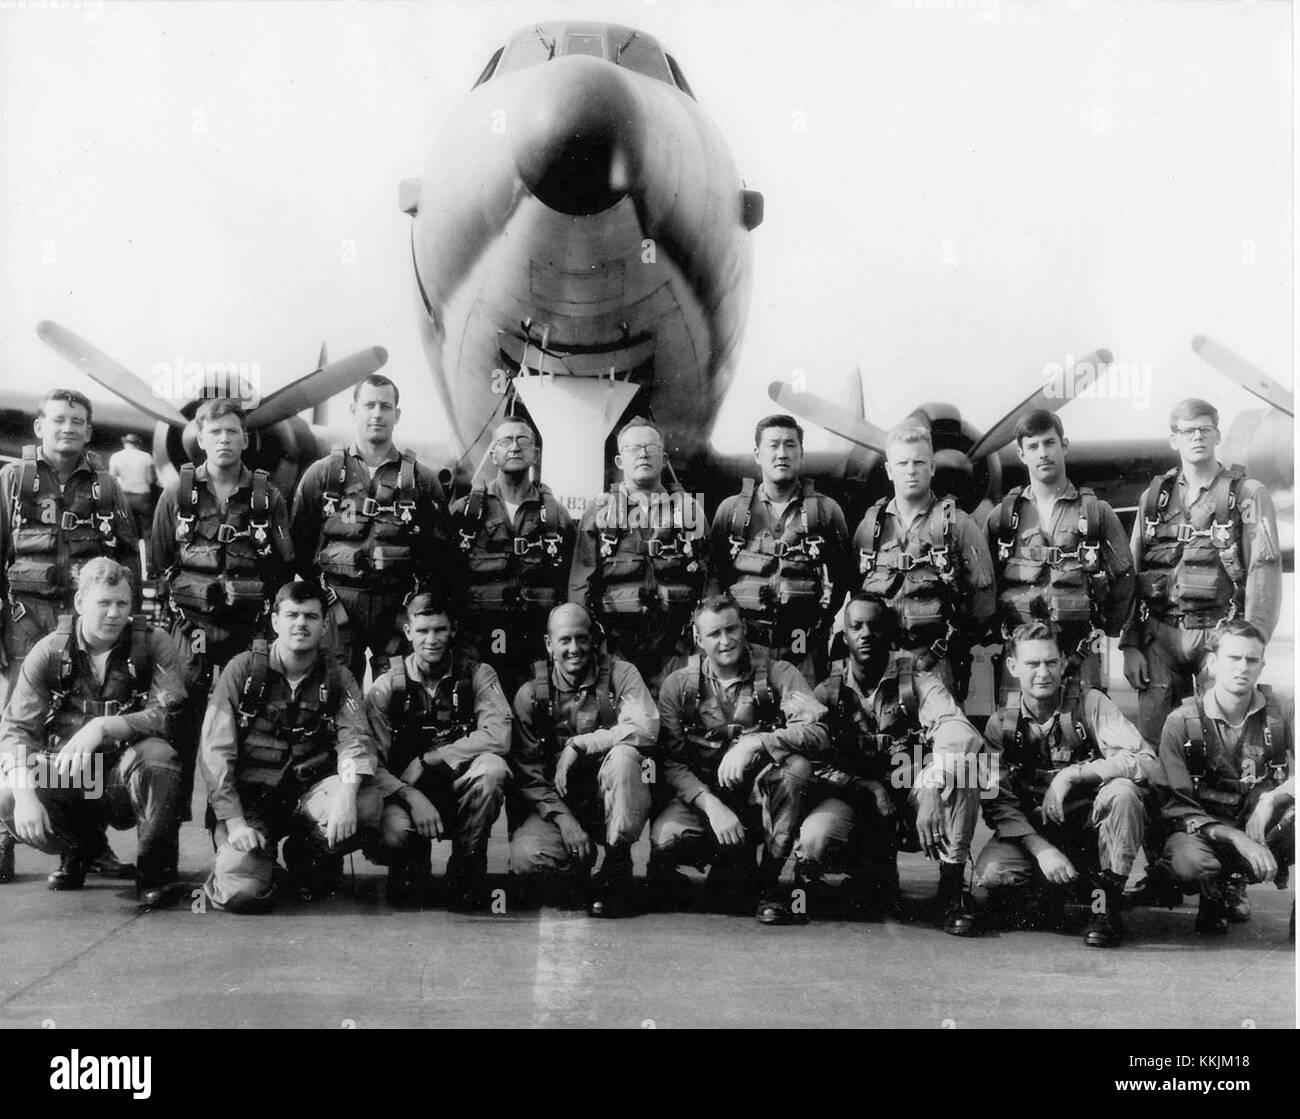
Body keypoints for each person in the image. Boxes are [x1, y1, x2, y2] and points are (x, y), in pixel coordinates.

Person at [0, 388, 141, 882]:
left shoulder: (106, 487)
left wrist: (126, 624)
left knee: (83, 727)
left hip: (85, 633)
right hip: (26, 624)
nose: (68, 428)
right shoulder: (13, 481)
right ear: (40, 427)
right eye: (58, 419)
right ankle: (4, 835)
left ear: (88, 430)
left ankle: (88, 844)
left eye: (77, 421)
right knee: (18, 727)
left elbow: (127, 560)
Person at [150, 398, 293, 877]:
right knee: (176, 736)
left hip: (245, 638)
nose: (225, 439)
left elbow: (283, 569)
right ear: (201, 438)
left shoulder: (268, 499)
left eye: (233, 431)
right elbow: (160, 563)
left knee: (239, 738)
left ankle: (227, 843)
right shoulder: (177, 495)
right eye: (215, 432)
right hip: (188, 635)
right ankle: (161, 856)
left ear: (246, 439)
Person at [0, 559, 185, 907]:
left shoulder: (153, 644)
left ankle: (156, 871)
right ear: (80, 602)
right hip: (75, 776)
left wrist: (103, 726)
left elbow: (168, 714)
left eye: (122, 603)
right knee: (6, 793)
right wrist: (25, 797)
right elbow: (16, 731)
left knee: (159, 758)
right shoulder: (51, 651)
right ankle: (81, 849)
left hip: (125, 776)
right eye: (104, 603)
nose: (114, 613)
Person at [199, 581, 389, 912]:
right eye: (292, 615)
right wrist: (235, 822)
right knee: (242, 894)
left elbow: (355, 739)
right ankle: (268, 871)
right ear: (275, 621)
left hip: (307, 796)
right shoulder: (244, 670)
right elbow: (216, 752)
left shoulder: (338, 677)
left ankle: (306, 856)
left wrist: (346, 793)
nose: (301, 623)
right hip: (252, 803)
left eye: (311, 616)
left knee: (366, 803)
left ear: (325, 624)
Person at [802, 593, 985, 932]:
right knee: (816, 835)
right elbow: (811, 759)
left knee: (964, 773)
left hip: (913, 801)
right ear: (844, 636)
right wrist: (864, 786)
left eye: (875, 626)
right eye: (856, 627)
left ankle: (950, 891)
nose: (866, 634)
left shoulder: (917, 682)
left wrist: (932, 781)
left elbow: (960, 732)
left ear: (889, 632)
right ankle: (863, 874)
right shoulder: (828, 692)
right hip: (858, 802)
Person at [976, 621, 1159, 948]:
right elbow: (996, 802)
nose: (1042, 673)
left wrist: (1072, 774)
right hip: (1034, 834)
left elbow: (1145, 760)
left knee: (1124, 793)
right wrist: (1041, 849)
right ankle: (1055, 885)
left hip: (1090, 832)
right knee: (992, 875)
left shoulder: (1091, 704)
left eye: (1050, 662)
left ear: (1063, 663)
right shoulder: (1000, 725)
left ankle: (1106, 902)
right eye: (1032, 664)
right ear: (1013, 667)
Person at [651, 594, 828, 925]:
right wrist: (710, 806)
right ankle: (718, 864)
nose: (725, 641)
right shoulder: (678, 685)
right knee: (666, 839)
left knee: (797, 769)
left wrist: (756, 743)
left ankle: (769, 883)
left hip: (759, 800)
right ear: (698, 638)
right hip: (705, 800)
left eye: (731, 629)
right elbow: (670, 761)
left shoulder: (778, 673)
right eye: (714, 634)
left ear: (744, 628)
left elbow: (817, 731)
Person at [1121, 398, 1282, 743]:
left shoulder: (1247, 494)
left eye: (1205, 429)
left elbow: (1263, 573)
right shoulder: (1153, 499)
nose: (1197, 437)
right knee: (1154, 743)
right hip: (1160, 638)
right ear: (1174, 439)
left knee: (1221, 742)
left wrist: (1248, 648)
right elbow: (1132, 572)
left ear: (1217, 435)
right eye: (1188, 431)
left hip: (1219, 634)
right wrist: (1130, 644)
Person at [291, 374, 453, 686]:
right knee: (333, 692)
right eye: (369, 405)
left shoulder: (422, 481)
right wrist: (322, 599)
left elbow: (438, 555)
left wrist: (413, 606)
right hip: (335, 606)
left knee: (397, 692)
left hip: (396, 611)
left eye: (385, 406)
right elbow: (299, 546)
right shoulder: (321, 475)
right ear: (354, 411)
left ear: (397, 414)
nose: (377, 414)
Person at [509, 603, 658, 917]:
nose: (574, 648)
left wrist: (581, 744)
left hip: (609, 799)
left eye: (582, 638)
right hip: (561, 802)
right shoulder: (531, 696)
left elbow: (646, 728)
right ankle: (579, 867)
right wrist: (565, 821)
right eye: (564, 640)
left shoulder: (621, 674)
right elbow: (529, 775)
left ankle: (617, 862)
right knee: (527, 859)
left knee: (625, 757)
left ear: (593, 640)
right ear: (549, 644)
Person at [364, 594, 511, 910]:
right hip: (408, 795)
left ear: (452, 630)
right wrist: (410, 796)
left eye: (440, 630)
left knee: (492, 769)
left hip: (459, 789)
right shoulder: (387, 686)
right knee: (399, 855)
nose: (431, 639)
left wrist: (430, 758)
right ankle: (410, 863)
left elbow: (499, 736)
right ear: (408, 632)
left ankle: (468, 865)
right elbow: (373, 761)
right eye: (422, 631)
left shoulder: (478, 674)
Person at [1152, 619, 1293, 935]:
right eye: (1233, 658)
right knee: (1190, 862)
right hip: (1204, 833)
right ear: (1213, 664)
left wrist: (1272, 799)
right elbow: (1175, 807)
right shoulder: (1182, 722)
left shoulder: (1282, 712)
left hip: (1261, 828)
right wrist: (1237, 838)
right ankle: (1214, 890)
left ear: (1262, 666)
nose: (1242, 667)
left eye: (1251, 659)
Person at [986, 410, 1133, 694]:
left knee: (1084, 717)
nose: (1042, 453)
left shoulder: (1097, 513)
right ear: (1021, 454)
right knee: (1015, 719)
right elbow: (984, 582)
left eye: (1049, 442)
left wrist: (1105, 627)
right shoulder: (1002, 518)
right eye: (1033, 446)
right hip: (1022, 653)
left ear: (1064, 445)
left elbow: (1125, 577)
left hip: (1079, 649)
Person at [569, 416, 711, 694]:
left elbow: (708, 581)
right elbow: (579, 586)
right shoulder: (599, 512)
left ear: (664, 458)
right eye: (633, 448)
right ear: (619, 461)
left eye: (650, 447)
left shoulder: (689, 510)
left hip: (676, 650)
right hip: (616, 652)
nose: (643, 454)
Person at [854, 424, 994, 700]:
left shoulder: (958, 525)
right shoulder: (870, 529)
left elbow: (983, 604)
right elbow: (854, 591)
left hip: (937, 664)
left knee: (941, 728)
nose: (911, 470)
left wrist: (953, 646)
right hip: (879, 666)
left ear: (932, 467)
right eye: (902, 463)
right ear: (889, 470)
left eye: (919, 462)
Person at [711, 414, 852, 684]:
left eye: (790, 445)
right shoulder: (731, 512)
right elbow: (715, 576)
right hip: (746, 648)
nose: (782, 454)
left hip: (802, 646)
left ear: (801, 453)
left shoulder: (826, 512)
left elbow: (844, 578)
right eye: (773, 445)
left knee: (804, 707)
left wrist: (819, 623)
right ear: (757, 454)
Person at [449, 417, 575, 698]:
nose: (515, 447)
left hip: (536, 641)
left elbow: (571, 580)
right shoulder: (466, 512)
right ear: (493, 454)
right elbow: (447, 577)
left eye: (523, 440)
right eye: (506, 440)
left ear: (536, 454)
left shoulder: (556, 516)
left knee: (536, 705)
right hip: (479, 639)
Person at [109, 433, 158, 545]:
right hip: (142, 496)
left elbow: (112, 477)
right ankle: (147, 553)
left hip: (123, 495)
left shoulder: (116, 456)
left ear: (125, 443)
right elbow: (150, 480)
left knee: (125, 528)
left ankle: (131, 551)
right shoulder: (146, 457)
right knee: (147, 529)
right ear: (138, 444)